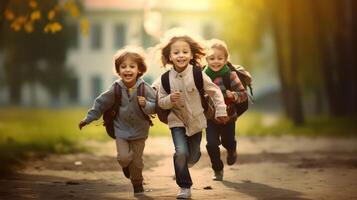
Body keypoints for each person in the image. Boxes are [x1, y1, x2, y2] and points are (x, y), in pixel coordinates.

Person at [157, 29, 228, 199]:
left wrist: (221, 110)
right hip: (177, 122)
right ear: (169, 57)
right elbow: (161, 102)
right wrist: (170, 100)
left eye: (185, 52)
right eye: (176, 52)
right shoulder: (165, 79)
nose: (181, 55)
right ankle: (184, 187)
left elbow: (215, 91)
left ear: (191, 54)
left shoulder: (198, 74)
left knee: (193, 155)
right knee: (180, 152)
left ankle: (183, 166)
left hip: (196, 121)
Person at [78, 46, 156, 196]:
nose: (127, 70)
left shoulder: (144, 88)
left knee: (137, 163)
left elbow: (157, 107)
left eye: (132, 66)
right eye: (123, 66)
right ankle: (126, 166)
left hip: (140, 131)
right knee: (124, 157)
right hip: (121, 130)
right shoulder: (116, 89)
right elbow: (100, 103)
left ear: (139, 69)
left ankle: (137, 185)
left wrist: (147, 104)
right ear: (118, 71)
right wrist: (88, 118)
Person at [203, 39, 248, 181]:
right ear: (206, 59)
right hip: (211, 118)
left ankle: (231, 149)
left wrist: (233, 95)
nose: (215, 61)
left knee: (227, 141)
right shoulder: (203, 77)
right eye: (212, 58)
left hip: (229, 117)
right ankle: (217, 169)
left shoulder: (231, 75)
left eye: (220, 58)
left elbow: (244, 95)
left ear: (226, 59)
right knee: (211, 144)